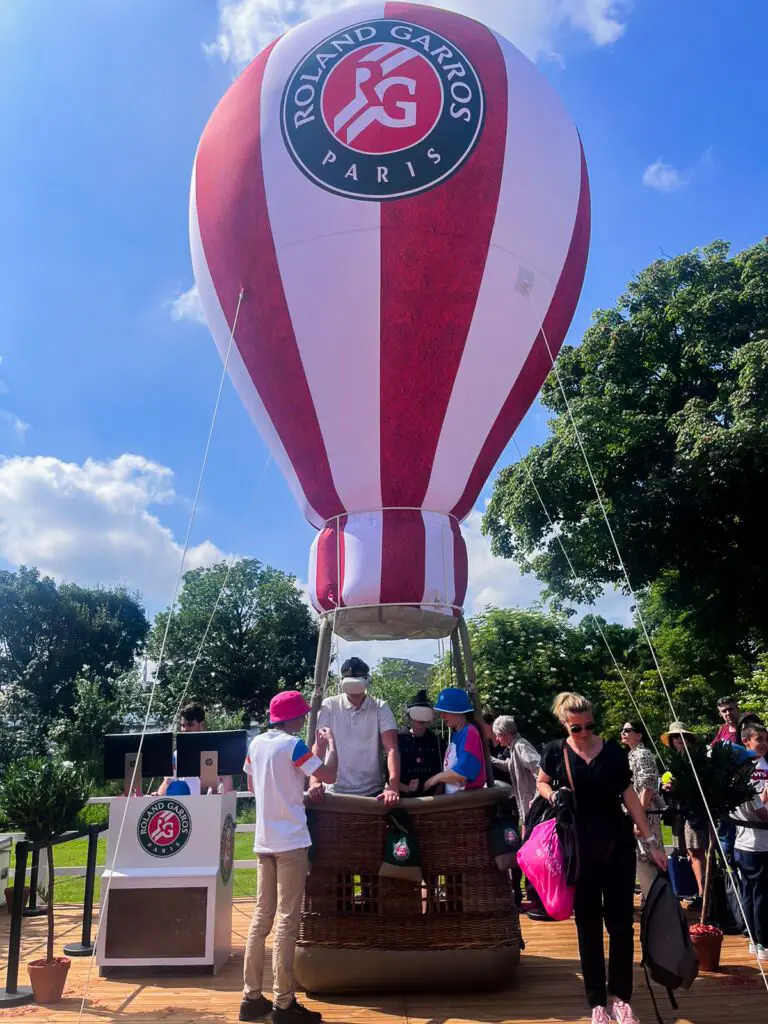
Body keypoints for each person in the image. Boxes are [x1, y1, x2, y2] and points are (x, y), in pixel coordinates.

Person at [538, 692, 667, 1024]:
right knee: (588, 924)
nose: (583, 733)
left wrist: (652, 841)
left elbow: (629, 796)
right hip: (578, 845)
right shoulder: (555, 751)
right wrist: (553, 794)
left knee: (621, 923)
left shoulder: (611, 752)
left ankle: (621, 997)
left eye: (589, 726)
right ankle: (597, 1001)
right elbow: (541, 781)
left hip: (616, 842)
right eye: (576, 728)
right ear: (564, 724)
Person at [240, 690, 338, 1024]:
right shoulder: (293, 746)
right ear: (293, 718)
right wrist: (329, 749)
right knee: (286, 920)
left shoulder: (256, 744)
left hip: (263, 841)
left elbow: (253, 787)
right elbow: (328, 776)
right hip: (291, 842)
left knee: (261, 917)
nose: (303, 720)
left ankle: (251, 997)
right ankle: (284, 1002)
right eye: (301, 715)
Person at [309, 657, 400, 806]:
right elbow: (318, 746)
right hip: (334, 791)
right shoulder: (329, 705)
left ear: (367, 681)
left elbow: (392, 749)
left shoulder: (380, 707)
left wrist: (393, 787)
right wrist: (314, 782)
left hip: (373, 792)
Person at [493, 714, 541, 912]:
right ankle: (535, 898)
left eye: (498, 736)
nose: (497, 739)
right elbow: (510, 765)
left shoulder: (521, 746)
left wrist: (538, 795)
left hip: (533, 809)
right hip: (526, 811)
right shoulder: (513, 749)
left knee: (532, 855)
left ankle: (537, 899)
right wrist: (492, 761)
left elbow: (538, 767)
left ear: (507, 734)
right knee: (528, 853)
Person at [661, 722, 707, 911]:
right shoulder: (673, 761)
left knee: (696, 852)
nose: (680, 740)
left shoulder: (696, 761)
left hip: (694, 814)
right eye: (676, 737)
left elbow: (700, 788)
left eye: (683, 737)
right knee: (686, 852)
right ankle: (694, 891)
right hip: (680, 814)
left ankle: (704, 896)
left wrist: (680, 787)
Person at [732, 723, 768, 961]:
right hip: (754, 840)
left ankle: (755, 937)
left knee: (752, 891)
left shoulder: (759, 766)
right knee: (758, 894)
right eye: (759, 739)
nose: (764, 743)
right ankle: (759, 940)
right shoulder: (744, 771)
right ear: (746, 741)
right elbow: (758, 810)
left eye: (766, 739)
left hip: (753, 840)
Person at [621, 720, 664, 897]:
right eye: (622, 730)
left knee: (648, 855)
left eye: (628, 730)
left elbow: (647, 786)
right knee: (640, 856)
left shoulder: (643, 755)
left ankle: (657, 900)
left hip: (644, 811)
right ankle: (651, 899)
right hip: (635, 811)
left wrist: (640, 817)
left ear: (639, 735)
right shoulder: (632, 755)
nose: (623, 732)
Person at [158, 703, 233, 796]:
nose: (184, 729)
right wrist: (158, 795)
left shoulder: (216, 752)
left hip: (211, 807)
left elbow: (227, 785)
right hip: (187, 808)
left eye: (190, 725)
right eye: (183, 725)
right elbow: (167, 782)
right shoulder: (176, 755)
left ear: (201, 725)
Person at [424, 688, 487, 793]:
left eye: (446, 711)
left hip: (467, 802)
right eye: (441, 712)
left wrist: (434, 779)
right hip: (458, 799)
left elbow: (463, 774)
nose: (442, 716)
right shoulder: (458, 733)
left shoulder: (469, 733)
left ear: (459, 711)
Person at [397, 690, 444, 796]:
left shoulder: (436, 741)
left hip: (432, 800)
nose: (421, 723)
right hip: (404, 801)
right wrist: (407, 788)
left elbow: (443, 772)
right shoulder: (398, 739)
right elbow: (389, 774)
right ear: (409, 716)